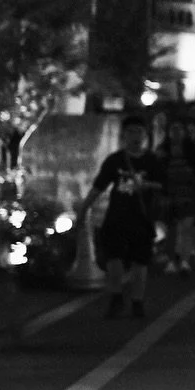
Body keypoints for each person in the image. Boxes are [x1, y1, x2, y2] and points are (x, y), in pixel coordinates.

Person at [75, 115, 165, 319]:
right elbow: (98, 187)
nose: (136, 136)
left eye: (139, 132)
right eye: (131, 132)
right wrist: (84, 209)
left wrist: (147, 185)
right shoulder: (115, 160)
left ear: (145, 135)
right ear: (123, 135)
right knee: (114, 259)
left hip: (142, 217)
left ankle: (137, 301)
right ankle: (116, 297)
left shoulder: (152, 161)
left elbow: (163, 184)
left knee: (140, 261)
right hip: (117, 216)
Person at [159, 118, 195, 273]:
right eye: (173, 129)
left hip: (189, 195)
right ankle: (172, 260)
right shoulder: (162, 151)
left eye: (179, 129)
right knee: (171, 229)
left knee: (185, 228)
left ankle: (185, 260)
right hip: (168, 195)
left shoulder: (193, 151)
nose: (176, 132)